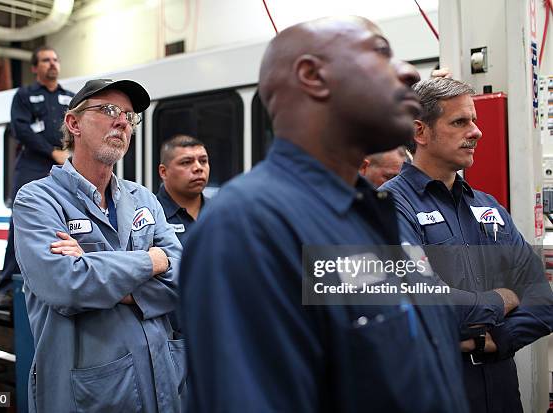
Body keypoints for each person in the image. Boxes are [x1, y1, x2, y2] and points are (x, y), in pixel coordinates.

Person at [179, 16, 471, 412]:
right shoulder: (249, 229)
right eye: (381, 53)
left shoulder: (378, 212)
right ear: (313, 76)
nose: (407, 72)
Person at [381, 77, 553, 413]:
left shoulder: (488, 207)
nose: (476, 132)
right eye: (460, 122)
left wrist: (496, 340)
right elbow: (424, 305)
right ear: (420, 132)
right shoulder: (388, 206)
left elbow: (543, 300)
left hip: (501, 398)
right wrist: (502, 298)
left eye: (474, 121)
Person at [13, 79, 185, 412]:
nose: (122, 121)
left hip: (161, 385)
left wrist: (100, 270)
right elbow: (68, 284)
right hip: (90, 394)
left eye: (129, 115)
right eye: (108, 110)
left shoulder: (143, 200)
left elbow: (184, 276)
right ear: (73, 123)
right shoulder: (37, 200)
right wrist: (152, 261)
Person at [0, 45, 74, 303]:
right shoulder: (24, 96)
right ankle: (9, 286)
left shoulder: (70, 98)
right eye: (45, 60)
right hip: (32, 164)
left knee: (67, 220)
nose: (52, 64)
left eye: (55, 59)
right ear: (34, 68)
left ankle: (61, 279)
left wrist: (68, 154)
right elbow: (21, 130)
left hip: (64, 165)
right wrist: (52, 152)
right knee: (21, 221)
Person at [157, 134, 209, 244]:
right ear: (163, 172)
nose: (198, 168)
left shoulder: (219, 211)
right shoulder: (151, 215)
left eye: (203, 161)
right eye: (186, 162)